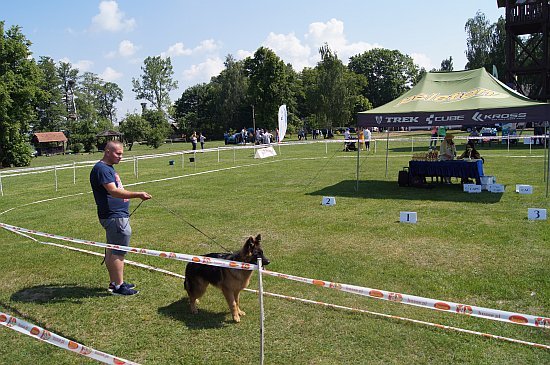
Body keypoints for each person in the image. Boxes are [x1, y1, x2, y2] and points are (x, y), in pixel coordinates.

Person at [90, 140, 152, 296]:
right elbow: (114, 191)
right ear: (107, 151)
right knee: (118, 251)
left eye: (122, 153)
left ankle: (115, 282)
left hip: (115, 216)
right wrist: (138, 194)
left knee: (112, 250)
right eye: (118, 153)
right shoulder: (102, 169)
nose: (121, 157)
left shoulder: (107, 168)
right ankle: (119, 286)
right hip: (114, 217)